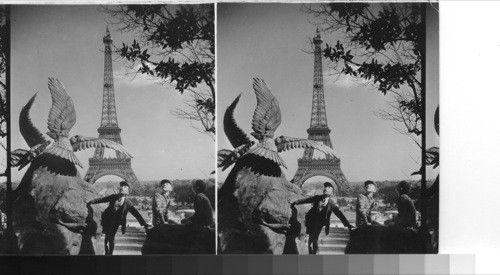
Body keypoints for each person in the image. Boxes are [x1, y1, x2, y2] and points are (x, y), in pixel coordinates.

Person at [87, 181, 149, 255]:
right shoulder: (114, 196)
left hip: (116, 222)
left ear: (128, 192)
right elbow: (103, 199)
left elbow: (136, 214)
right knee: (107, 237)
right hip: (107, 219)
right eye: (122, 186)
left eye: (125, 187)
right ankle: (107, 251)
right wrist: (92, 201)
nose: (122, 187)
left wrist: (144, 224)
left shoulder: (128, 203)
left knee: (111, 237)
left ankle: (110, 253)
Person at [291, 182, 353, 254]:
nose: (326, 188)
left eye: (329, 188)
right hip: (311, 221)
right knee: (311, 238)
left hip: (320, 223)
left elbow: (339, 214)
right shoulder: (318, 198)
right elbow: (306, 200)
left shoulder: (331, 203)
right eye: (325, 187)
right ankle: (311, 252)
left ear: (332, 193)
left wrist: (347, 224)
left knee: (314, 239)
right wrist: (296, 202)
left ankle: (313, 253)